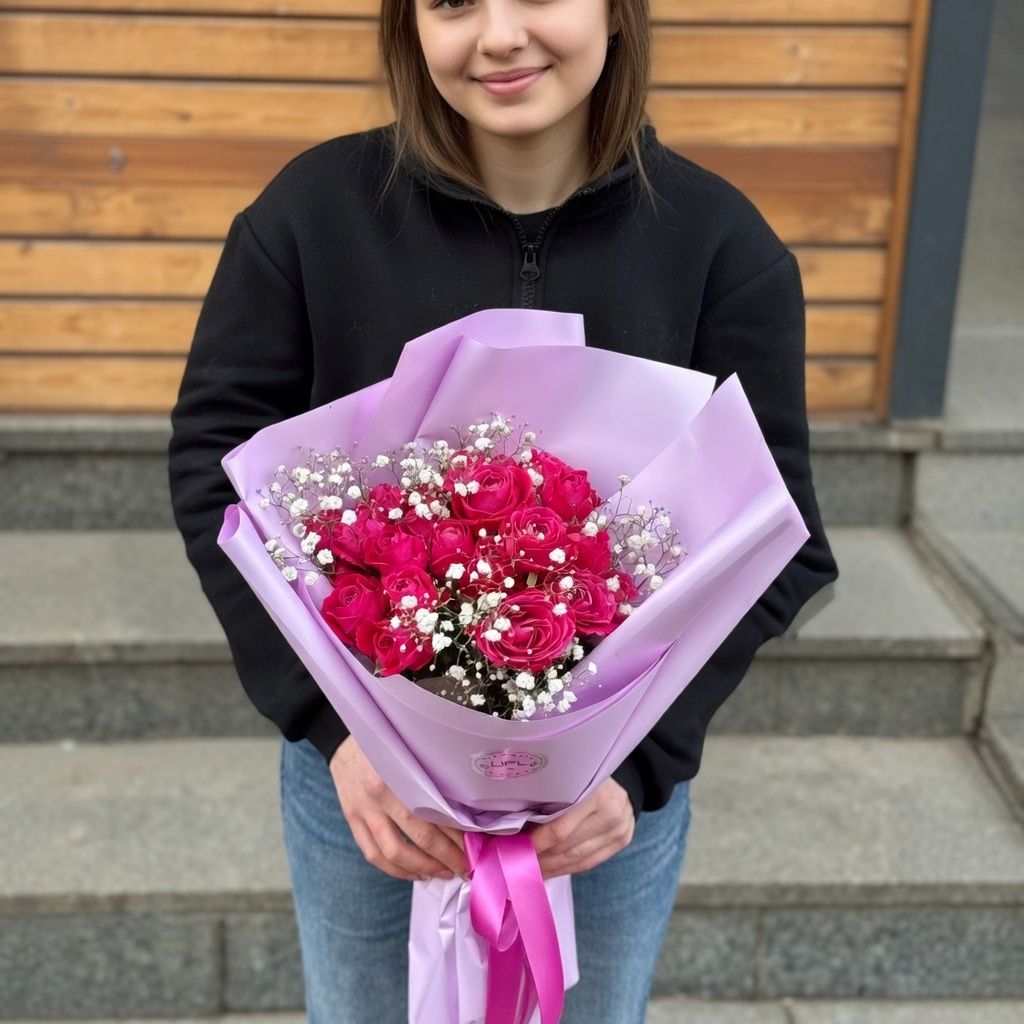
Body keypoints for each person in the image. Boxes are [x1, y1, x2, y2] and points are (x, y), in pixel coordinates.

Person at [168, 0, 839, 1020]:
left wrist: (641, 765)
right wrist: (334, 728)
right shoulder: (312, 216)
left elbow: (779, 538)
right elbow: (215, 466)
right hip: (368, 796)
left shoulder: (719, 246)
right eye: (451, 1)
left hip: (602, 811)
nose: (498, 35)